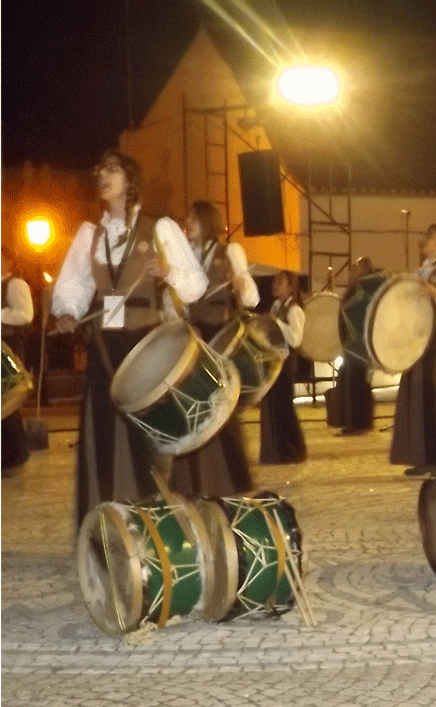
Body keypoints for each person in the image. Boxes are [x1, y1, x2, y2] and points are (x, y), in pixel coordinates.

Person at [52, 149, 207, 527]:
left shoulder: (161, 228)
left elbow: (196, 287)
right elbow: (70, 286)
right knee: (103, 433)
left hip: (145, 348)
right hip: (105, 347)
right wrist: (67, 312)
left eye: (112, 169)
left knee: (144, 435)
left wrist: (167, 271)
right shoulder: (90, 235)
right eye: (99, 169)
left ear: (130, 179)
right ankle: (108, 523)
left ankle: (151, 520)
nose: (102, 175)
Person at [168, 201, 259, 496]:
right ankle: (192, 481)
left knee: (221, 407)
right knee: (193, 408)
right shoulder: (181, 258)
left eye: (194, 217)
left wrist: (240, 284)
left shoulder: (229, 252)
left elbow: (252, 299)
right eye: (187, 217)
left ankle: (228, 478)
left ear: (208, 221)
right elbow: (172, 304)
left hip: (220, 338)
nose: (188, 222)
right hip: (194, 339)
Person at [390, 224, 436, 476]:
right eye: (425, 236)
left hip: (434, 338)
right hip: (416, 338)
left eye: (429, 237)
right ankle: (421, 456)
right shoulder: (419, 271)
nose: (424, 240)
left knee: (429, 395)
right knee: (415, 395)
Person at [259, 270, 307, 464]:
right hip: (274, 360)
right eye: (274, 281)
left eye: (280, 282)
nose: (275, 285)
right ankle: (276, 453)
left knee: (284, 406)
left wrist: (277, 323)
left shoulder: (295, 310)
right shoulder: (276, 306)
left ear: (291, 287)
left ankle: (292, 451)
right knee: (273, 406)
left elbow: (296, 339)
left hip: (286, 363)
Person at [328, 256, 377, 435]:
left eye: (355, 267)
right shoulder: (356, 288)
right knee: (349, 382)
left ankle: (360, 424)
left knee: (358, 384)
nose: (352, 271)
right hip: (351, 345)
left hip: (361, 346)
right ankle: (352, 422)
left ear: (364, 269)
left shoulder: (367, 288)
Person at [2, 252, 34, 476]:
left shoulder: (15, 284)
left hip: (7, 349)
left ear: (7, 261)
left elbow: (25, 314)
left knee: (8, 401)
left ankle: (12, 456)